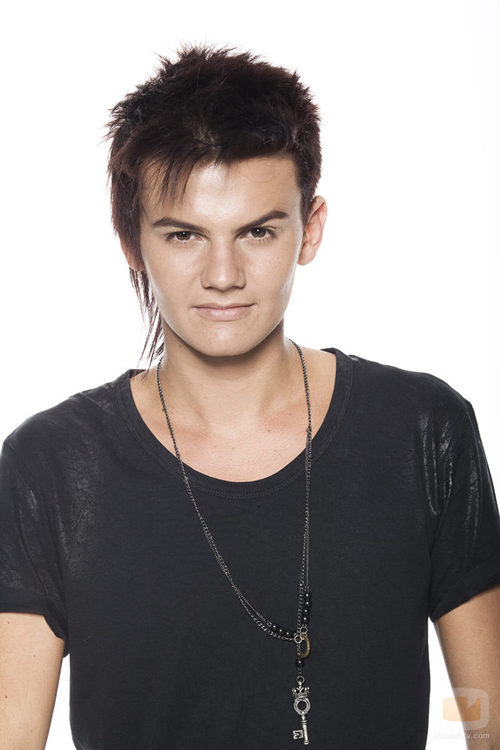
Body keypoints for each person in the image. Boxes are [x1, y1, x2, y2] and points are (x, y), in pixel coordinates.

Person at [1, 43, 499, 750]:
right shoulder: (51, 466)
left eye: (258, 231)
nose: (224, 274)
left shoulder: (422, 431)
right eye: (184, 235)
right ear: (132, 242)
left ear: (310, 229)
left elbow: (489, 721)